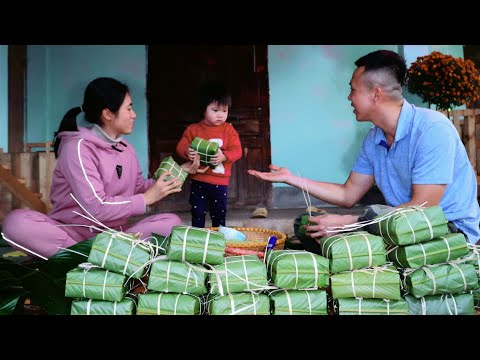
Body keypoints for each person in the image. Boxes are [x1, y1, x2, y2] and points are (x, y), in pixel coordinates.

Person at [249, 49, 480, 252]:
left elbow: (423, 208)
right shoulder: (374, 138)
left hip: (447, 229)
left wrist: (349, 223)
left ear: (376, 93)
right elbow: (347, 195)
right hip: (398, 225)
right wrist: (291, 178)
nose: (349, 97)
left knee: (341, 226)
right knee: (309, 224)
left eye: (353, 90)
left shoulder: (432, 128)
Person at [1, 77, 205, 259]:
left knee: (171, 224)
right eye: (129, 108)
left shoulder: (126, 149)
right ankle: (97, 257)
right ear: (108, 114)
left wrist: (182, 171)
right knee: (16, 224)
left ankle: (89, 259)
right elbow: (96, 207)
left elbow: (138, 189)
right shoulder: (77, 148)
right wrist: (146, 199)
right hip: (72, 234)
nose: (134, 115)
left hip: (115, 235)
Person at [176, 80, 242, 228]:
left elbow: (237, 151)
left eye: (224, 111)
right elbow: (181, 145)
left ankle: (217, 242)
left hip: (220, 183)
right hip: (198, 180)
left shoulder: (229, 130)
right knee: (197, 212)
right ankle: (197, 242)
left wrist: (225, 156)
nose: (220, 115)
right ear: (203, 109)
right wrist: (187, 151)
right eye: (215, 110)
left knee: (219, 214)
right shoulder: (193, 130)